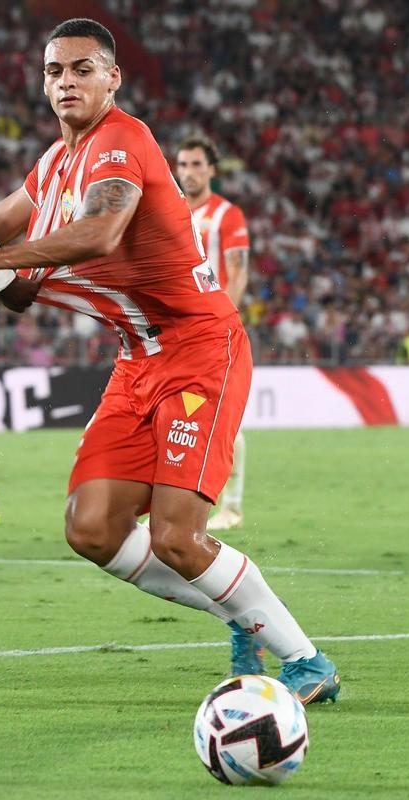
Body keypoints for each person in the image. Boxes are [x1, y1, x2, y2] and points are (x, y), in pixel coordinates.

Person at [0, 19, 339, 702]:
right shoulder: (51, 166)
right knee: (91, 528)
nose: (66, 82)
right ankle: (243, 616)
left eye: (82, 69)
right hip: (136, 361)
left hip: (201, 349)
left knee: (177, 536)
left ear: (113, 77)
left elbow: (101, 229)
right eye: (55, 71)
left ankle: (307, 661)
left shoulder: (125, 141)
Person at [175, 137, 250, 531]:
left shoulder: (227, 215)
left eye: (196, 164)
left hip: (212, 330)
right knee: (177, 414)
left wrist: (224, 321)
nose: (188, 171)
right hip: (175, 331)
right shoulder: (170, 211)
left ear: (211, 170)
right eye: (183, 164)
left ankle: (232, 507)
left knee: (221, 418)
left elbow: (237, 271)